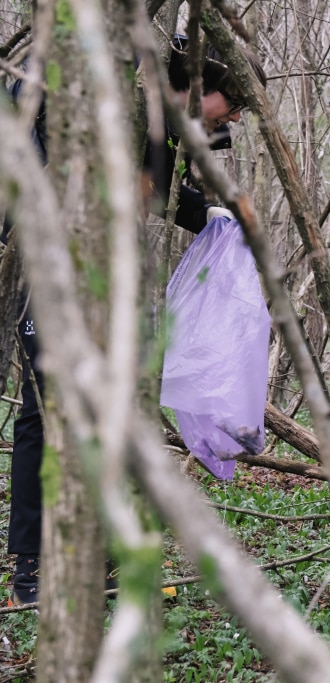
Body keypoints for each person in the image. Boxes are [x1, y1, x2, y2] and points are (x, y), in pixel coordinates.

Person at [2, 35, 266, 606]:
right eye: (235, 104)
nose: (235, 120)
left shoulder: (154, 112)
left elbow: (154, 183)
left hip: (96, 271)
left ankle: (95, 558)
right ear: (205, 84)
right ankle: (32, 572)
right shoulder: (89, 82)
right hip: (43, 258)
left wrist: (215, 213)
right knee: (48, 409)